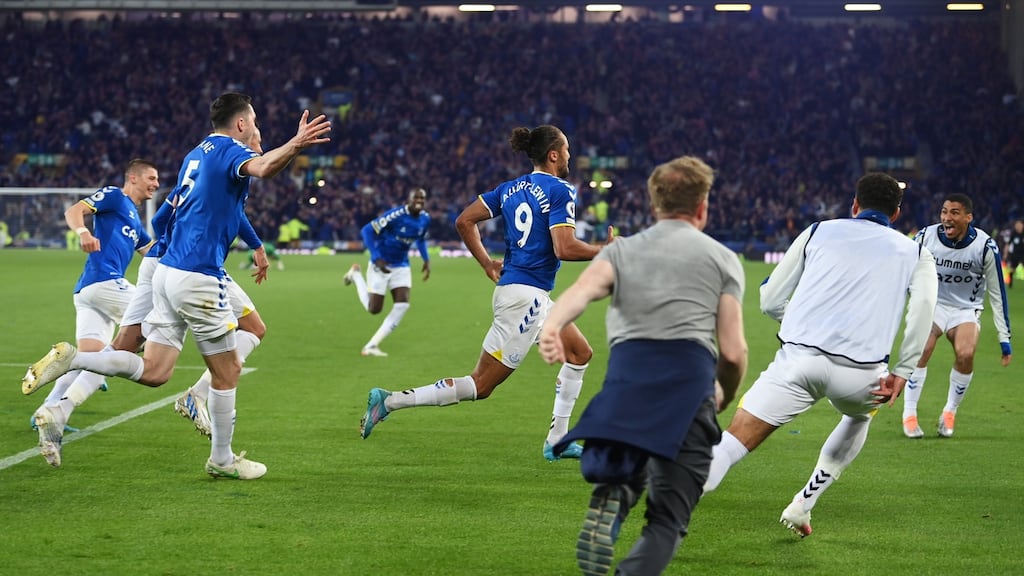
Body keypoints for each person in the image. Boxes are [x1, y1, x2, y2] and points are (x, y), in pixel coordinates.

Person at [21, 92, 331, 478]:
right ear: (240, 124)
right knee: (227, 370)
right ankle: (220, 457)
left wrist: (247, 246)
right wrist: (297, 143)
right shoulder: (229, 152)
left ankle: (74, 362)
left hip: (165, 268)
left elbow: (167, 216)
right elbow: (265, 167)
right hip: (197, 275)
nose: (257, 128)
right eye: (254, 121)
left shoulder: (196, 154)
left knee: (154, 371)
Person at [537, 156, 748, 576]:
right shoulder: (723, 259)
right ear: (703, 206)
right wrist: (723, 392)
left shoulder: (622, 250)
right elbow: (734, 352)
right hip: (688, 382)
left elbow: (582, 291)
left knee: (628, 452)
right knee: (667, 520)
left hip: (628, 379)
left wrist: (554, 326)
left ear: (654, 205)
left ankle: (617, 492)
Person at [701, 172, 938, 540]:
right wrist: (904, 370)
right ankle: (803, 504)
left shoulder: (818, 231)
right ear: (896, 214)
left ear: (854, 205)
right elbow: (923, 307)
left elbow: (769, 299)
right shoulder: (916, 251)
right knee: (860, 416)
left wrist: (800, 320)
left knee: (732, 444)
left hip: (798, 362)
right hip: (862, 374)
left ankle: (675, 500)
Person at [358, 124, 610, 462]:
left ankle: (558, 440)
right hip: (526, 299)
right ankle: (389, 401)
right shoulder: (561, 190)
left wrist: (486, 264)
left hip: (525, 294)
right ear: (553, 154)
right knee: (480, 385)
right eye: (565, 149)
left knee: (580, 353)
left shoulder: (509, 188)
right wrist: (605, 251)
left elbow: (464, 220)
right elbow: (564, 247)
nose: (569, 155)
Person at [31, 159, 159, 436]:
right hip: (105, 282)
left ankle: (47, 409)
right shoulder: (115, 195)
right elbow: (75, 210)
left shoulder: (135, 220)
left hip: (88, 292)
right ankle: (89, 373)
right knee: (155, 322)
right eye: (151, 178)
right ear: (133, 178)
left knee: (89, 358)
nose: (156, 184)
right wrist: (83, 231)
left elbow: (152, 251)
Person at [901, 194, 1012, 438]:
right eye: (944, 212)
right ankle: (909, 414)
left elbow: (997, 293)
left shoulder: (984, 246)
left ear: (968, 217)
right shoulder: (925, 237)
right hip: (933, 304)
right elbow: (905, 272)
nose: (946, 218)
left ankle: (949, 412)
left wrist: (1004, 337)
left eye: (954, 213)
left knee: (966, 354)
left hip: (965, 309)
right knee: (923, 348)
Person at [342, 187, 431, 357]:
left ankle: (372, 345)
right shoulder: (395, 216)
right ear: (408, 200)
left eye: (422, 198)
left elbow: (420, 240)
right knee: (374, 309)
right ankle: (356, 275)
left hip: (402, 265)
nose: (419, 201)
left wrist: (426, 259)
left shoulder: (425, 219)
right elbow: (367, 230)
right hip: (381, 263)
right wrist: (376, 256)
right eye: (416, 198)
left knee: (403, 304)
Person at [1006, 218, 1023, 288]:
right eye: (1017, 225)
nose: (1018, 226)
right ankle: (1010, 283)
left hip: (1023, 254)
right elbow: (1008, 244)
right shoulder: (1014, 234)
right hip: (1015, 254)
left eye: (1019, 225)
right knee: (1012, 269)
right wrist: (1005, 254)